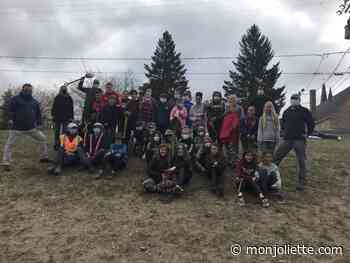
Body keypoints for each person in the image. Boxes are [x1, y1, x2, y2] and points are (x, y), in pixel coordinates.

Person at [2, 84, 49, 170]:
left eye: (30, 90)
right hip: (17, 128)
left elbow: (38, 114)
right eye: (26, 90)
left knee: (43, 139)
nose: (28, 92)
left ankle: (44, 157)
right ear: (23, 90)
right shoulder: (15, 99)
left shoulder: (35, 102)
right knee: (10, 144)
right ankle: (6, 162)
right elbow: (10, 110)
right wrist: (10, 119)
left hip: (31, 128)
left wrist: (39, 124)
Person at [273, 94, 315, 191]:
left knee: (301, 161)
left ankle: (302, 182)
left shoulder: (304, 111)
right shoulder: (287, 111)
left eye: (296, 99)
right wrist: (283, 131)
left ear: (299, 100)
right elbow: (283, 123)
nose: (294, 100)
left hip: (299, 140)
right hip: (287, 139)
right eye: (292, 99)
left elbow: (311, 123)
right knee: (276, 157)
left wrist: (307, 134)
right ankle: (270, 177)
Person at [219, 95, 241, 169]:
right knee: (227, 148)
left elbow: (236, 123)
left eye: (233, 99)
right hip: (225, 134)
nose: (229, 108)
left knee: (233, 148)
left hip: (233, 134)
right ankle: (229, 161)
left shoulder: (237, 110)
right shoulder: (225, 115)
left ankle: (234, 162)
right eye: (230, 100)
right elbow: (223, 125)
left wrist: (232, 129)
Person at [51, 85, 74, 150]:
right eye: (62, 89)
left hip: (66, 118)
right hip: (58, 117)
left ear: (66, 90)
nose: (63, 90)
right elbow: (54, 107)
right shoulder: (57, 97)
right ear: (60, 89)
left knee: (65, 132)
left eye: (65, 89)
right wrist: (53, 115)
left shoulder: (69, 98)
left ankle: (63, 144)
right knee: (57, 132)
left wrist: (71, 117)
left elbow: (71, 108)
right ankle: (56, 144)